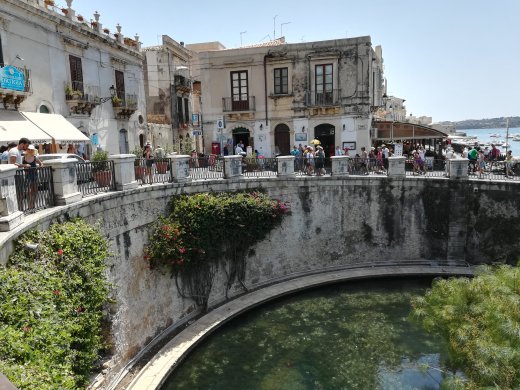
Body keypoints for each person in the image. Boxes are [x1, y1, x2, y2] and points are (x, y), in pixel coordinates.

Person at [22, 145, 43, 210]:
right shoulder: (23, 158)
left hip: (35, 175)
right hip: (28, 176)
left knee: (35, 190)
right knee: (29, 191)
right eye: (29, 149)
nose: (30, 150)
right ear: (27, 150)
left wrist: (38, 168)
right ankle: (30, 205)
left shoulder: (35, 157)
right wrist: (25, 167)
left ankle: (33, 204)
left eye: (32, 150)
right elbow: (21, 165)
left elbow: (41, 164)